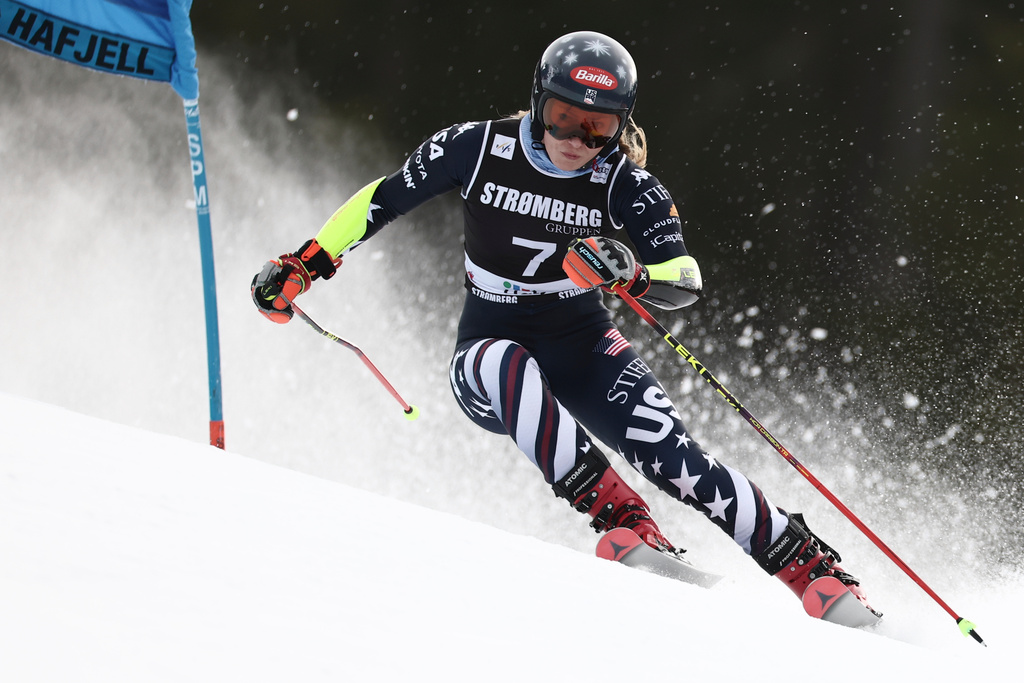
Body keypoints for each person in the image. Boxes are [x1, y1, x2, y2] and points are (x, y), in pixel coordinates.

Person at [252, 30, 878, 616]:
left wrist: (630, 274)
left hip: (583, 345)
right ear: (538, 102)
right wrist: (306, 264)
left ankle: (809, 567)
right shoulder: (475, 147)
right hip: (486, 356)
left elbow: (685, 277)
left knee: (672, 456)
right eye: (562, 116)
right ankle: (623, 520)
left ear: (619, 127)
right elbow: (380, 198)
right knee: (506, 363)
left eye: (597, 125)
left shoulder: (624, 184)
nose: (576, 137)